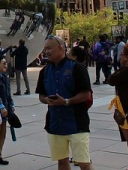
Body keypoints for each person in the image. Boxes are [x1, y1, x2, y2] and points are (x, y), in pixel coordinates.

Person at [36, 35, 93, 170]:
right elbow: (41, 95)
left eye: (49, 48)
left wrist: (67, 101)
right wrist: (46, 100)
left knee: (84, 163)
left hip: (76, 124)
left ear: (60, 48)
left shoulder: (77, 68)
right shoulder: (44, 71)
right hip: (55, 124)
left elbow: (86, 94)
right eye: (45, 49)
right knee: (62, 162)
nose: (46, 52)